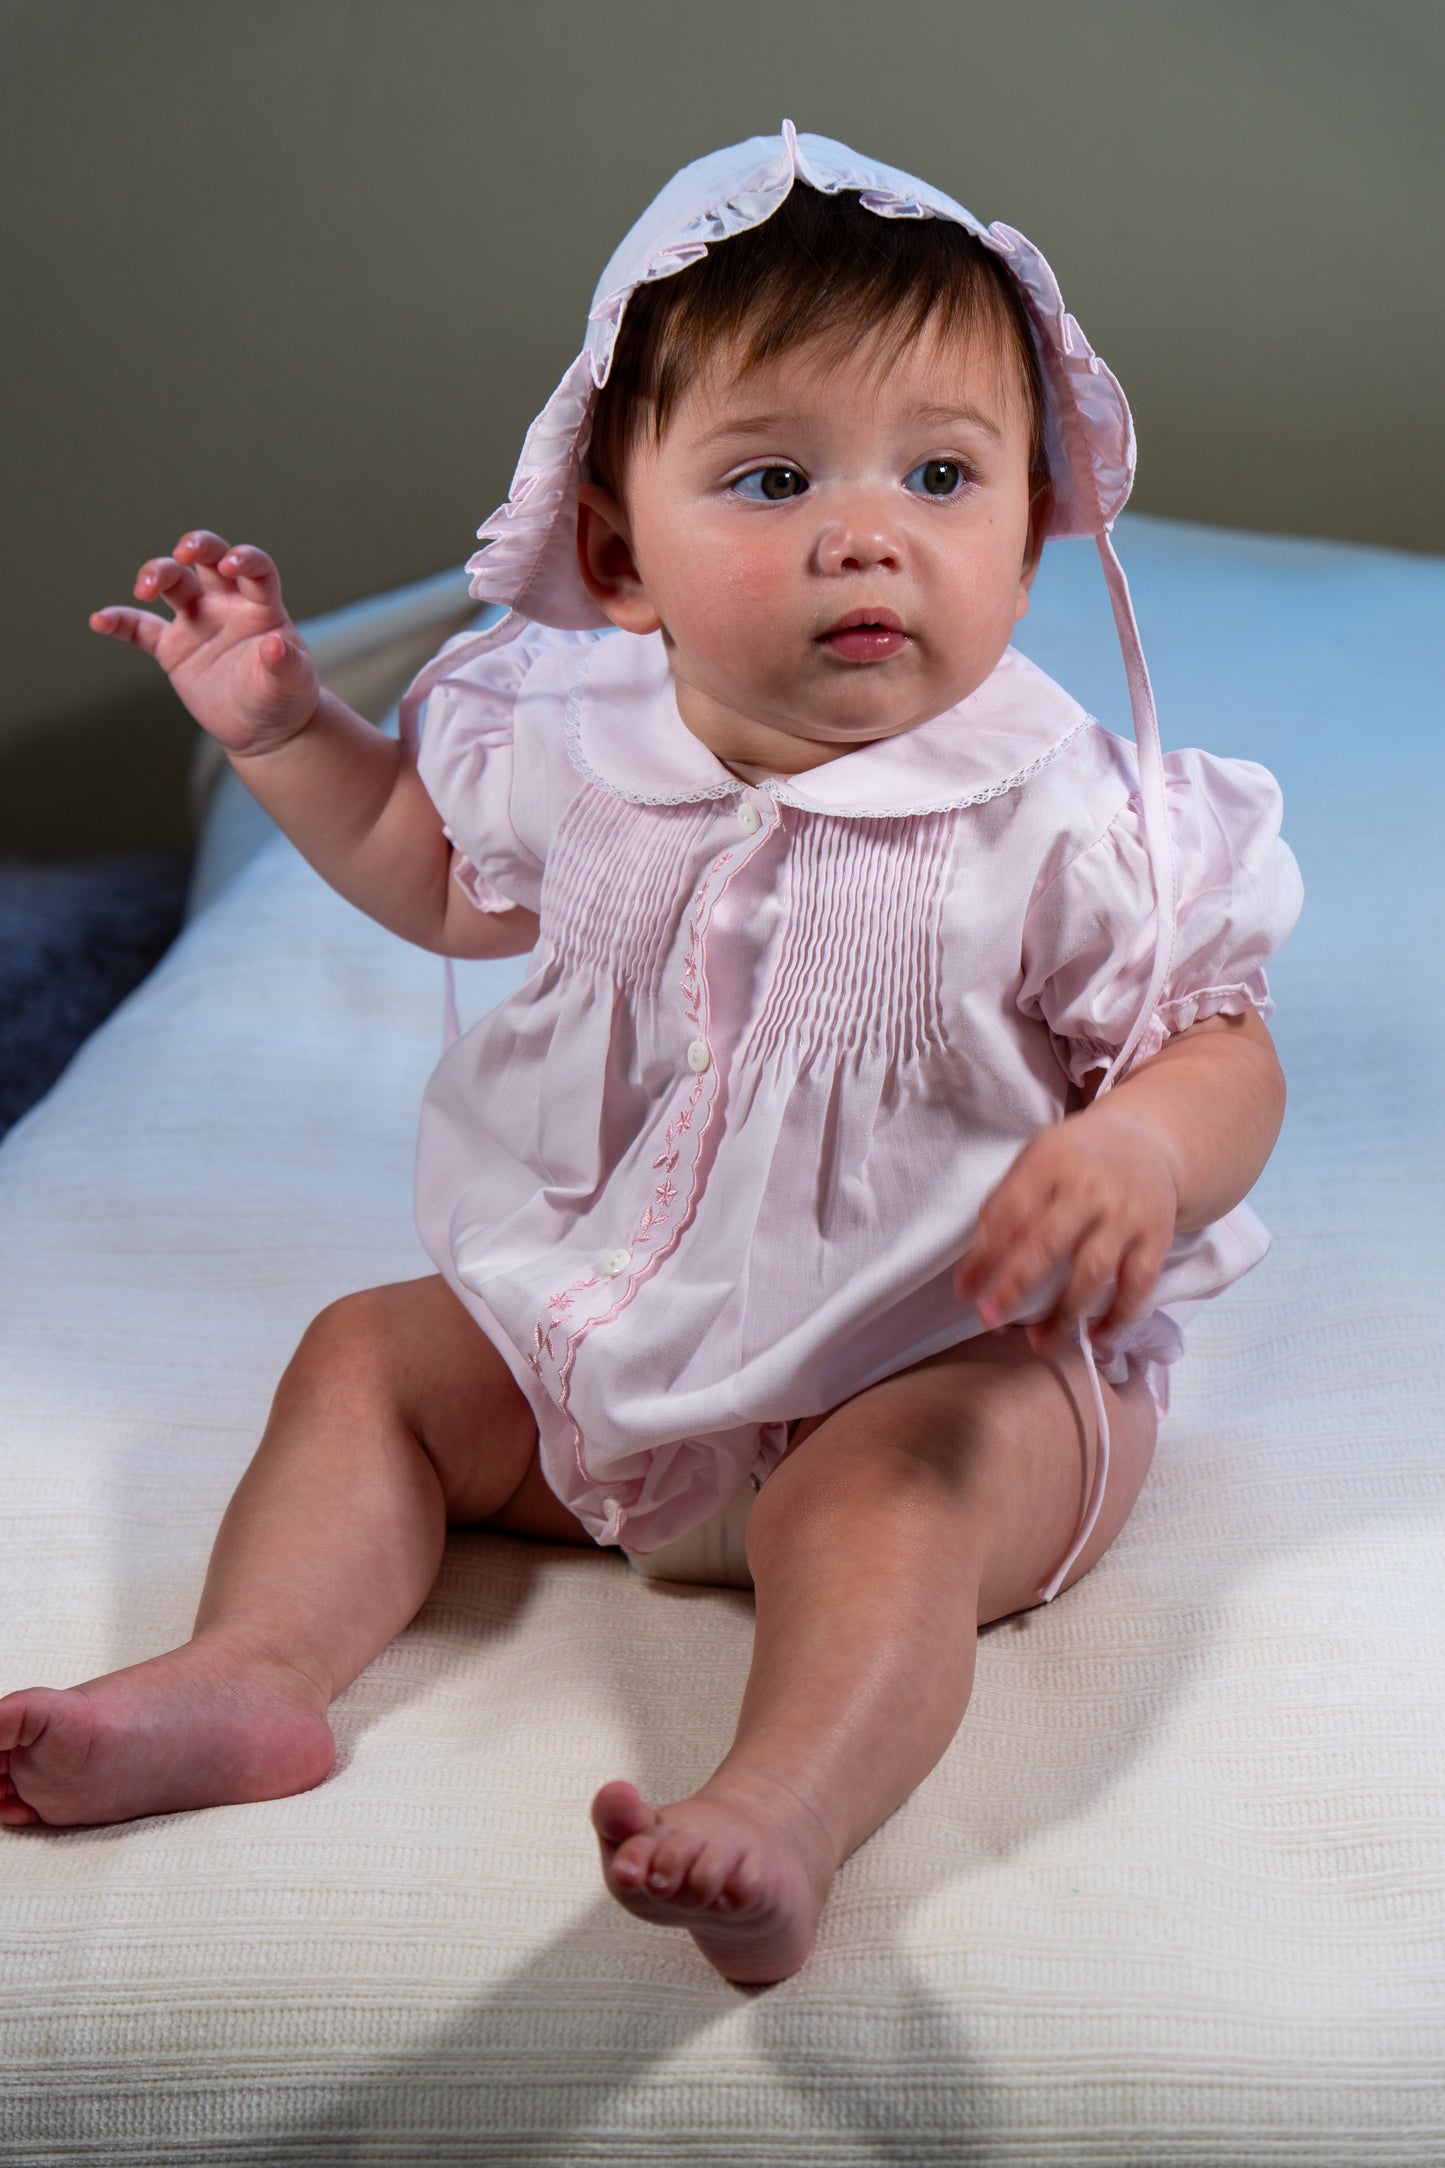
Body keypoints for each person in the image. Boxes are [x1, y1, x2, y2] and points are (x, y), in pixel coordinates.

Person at [0, 127, 1300, 1987]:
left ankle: (780, 1807)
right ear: (616, 555)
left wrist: (1144, 1159)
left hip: (931, 1360)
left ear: (1022, 535)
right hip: (600, 1355)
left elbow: (1218, 1048)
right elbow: (437, 878)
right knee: (370, 1358)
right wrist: (288, 733)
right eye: (774, 478)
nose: (867, 532)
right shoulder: (571, 737)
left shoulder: (1071, 822)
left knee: (893, 1502)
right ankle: (251, 1671)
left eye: (940, 474)